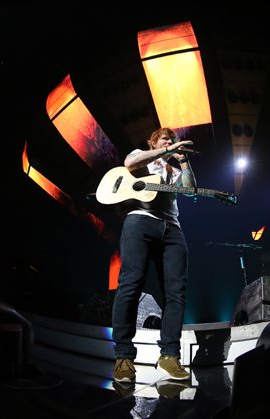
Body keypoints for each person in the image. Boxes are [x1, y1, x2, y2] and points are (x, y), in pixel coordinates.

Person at [112, 127, 197, 384]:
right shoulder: (141, 155)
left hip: (172, 228)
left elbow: (191, 189)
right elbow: (130, 162)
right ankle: (124, 356)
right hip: (140, 221)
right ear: (153, 142)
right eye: (165, 139)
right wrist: (166, 150)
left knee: (176, 292)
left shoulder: (173, 171)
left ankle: (169, 355)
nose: (170, 142)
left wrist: (183, 160)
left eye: (172, 140)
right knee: (131, 283)